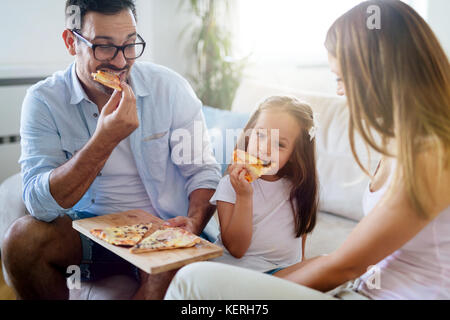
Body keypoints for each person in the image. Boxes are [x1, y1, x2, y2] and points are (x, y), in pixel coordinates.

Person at [165, 0, 450, 300]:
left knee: (192, 281)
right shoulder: (403, 143)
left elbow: (346, 266)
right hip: (363, 290)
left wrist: (258, 296)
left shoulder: (431, 154)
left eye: (341, 78)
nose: (339, 91)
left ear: (376, 72)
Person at [1, 0, 221, 300]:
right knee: (20, 241)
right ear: (71, 42)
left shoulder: (170, 89)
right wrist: (104, 140)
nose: (120, 62)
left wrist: (193, 223)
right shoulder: (44, 101)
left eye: (130, 45)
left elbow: (204, 173)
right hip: (93, 240)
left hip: (165, 235)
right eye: (104, 47)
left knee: (162, 277)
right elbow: (39, 203)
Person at [209, 96, 319, 275]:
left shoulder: (300, 189)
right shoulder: (230, 185)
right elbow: (236, 250)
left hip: (281, 274)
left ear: (294, 154)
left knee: (321, 264)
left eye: (279, 144)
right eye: (259, 135)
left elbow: (299, 256)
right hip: (236, 270)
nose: (264, 148)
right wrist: (244, 197)